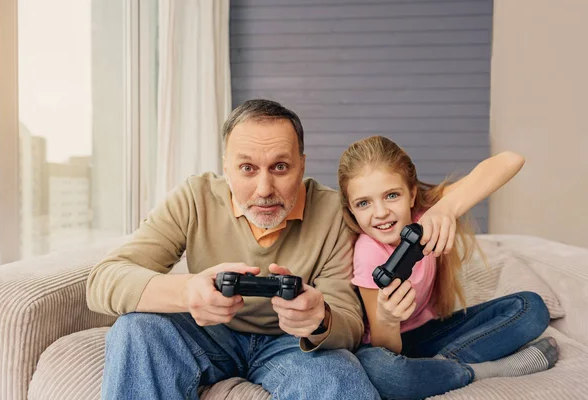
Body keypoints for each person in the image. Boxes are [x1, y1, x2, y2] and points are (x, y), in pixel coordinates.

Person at [87, 99, 380, 400]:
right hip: (210, 333)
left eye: (280, 167)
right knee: (135, 329)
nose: (264, 189)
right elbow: (103, 280)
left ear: (301, 165)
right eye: (247, 168)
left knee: (340, 375)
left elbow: (351, 324)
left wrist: (320, 318)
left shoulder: (333, 212)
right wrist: (187, 291)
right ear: (226, 167)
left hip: (291, 343)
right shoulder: (194, 197)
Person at [337, 135, 558, 399]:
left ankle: (434, 372)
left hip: (433, 334)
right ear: (351, 209)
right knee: (383, 372)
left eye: (392, 195)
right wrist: (387, 318)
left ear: (412, 195)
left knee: (531, 308)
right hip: (391, 345)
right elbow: (388, 349)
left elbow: (511, 160)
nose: (381, 212)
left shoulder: (427, 213)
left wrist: (447, 208)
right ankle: (485, 370)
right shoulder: (368, 252)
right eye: (364, 203)